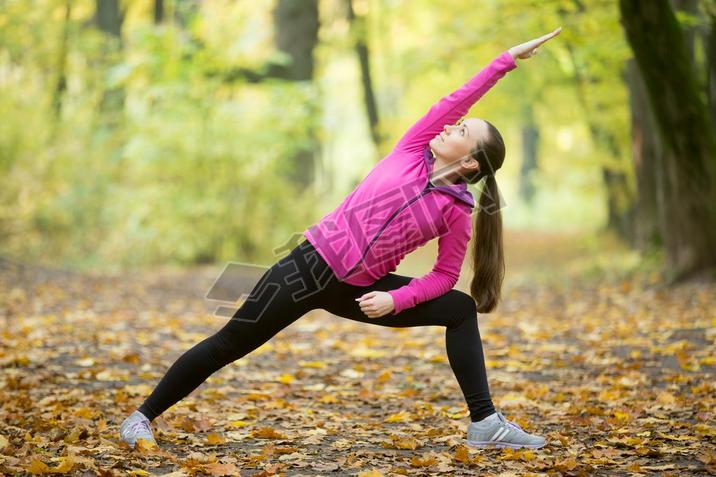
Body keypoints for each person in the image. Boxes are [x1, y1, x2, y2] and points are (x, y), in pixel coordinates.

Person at [120, 27, 562, 450]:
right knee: (229, 343)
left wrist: (398, 299)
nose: (453, 126)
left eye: (463, 131)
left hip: (362, 291)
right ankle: (141, 417)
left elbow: (445, 276)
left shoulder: (458, 210)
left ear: (469, 164)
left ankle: (484, 423)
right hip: (306, 269)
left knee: (461, 310)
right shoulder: (413, 147)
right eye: (458, 123)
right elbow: (456, 98)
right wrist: (505, 61)